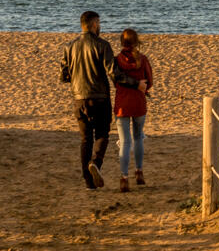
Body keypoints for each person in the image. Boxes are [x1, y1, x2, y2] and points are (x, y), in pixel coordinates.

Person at [60, 11, 138, 190]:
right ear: (94, 24)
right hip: (100, 98)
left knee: (85, 139)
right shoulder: (103, 45)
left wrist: (77, 76)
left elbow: (64, 76)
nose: (100, 26)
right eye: (99, 23)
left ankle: (89, 182)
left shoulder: (69, 46)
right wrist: (134, 84)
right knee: (102, 134)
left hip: (79, 98)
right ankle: (95, 162)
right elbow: (114, 73)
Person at [113, 28, 153, 192]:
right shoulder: (142, 59)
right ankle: (139, 171)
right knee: (138, 137)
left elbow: (115, 81)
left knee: (125, 141)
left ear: (122, 42)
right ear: (136, 42)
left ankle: (124, 177)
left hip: (122, 103)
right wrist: (140, 84)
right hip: (138, 102)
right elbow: (149, 82)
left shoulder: (116, 60)